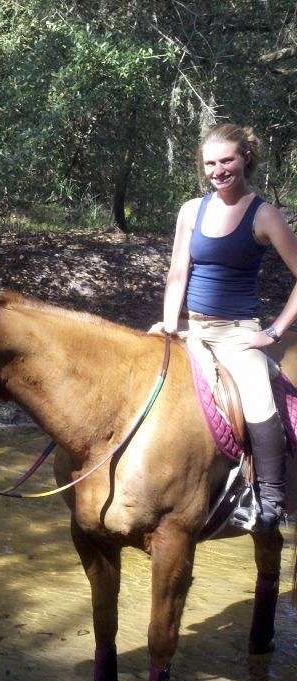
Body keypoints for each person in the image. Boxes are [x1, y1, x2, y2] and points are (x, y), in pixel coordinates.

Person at [151, 123, 297, 531]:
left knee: (257, 399)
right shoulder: (189, 210)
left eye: (226, 160)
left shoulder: (264, 214)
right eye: (210, 163)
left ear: (244, 158)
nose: (218, 170)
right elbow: (178, 270)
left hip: (237, 332)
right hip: (191, 327)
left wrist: (272, 333)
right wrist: (167, 320)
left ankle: (269, 500)